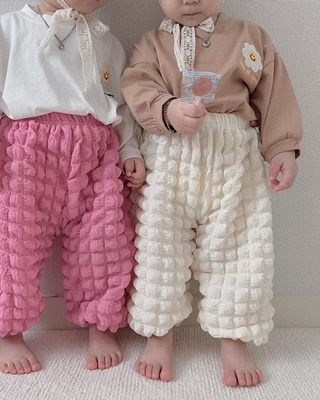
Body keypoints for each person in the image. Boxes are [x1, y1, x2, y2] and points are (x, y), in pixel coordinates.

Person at [0, 0, 145, 375]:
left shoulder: (104, 39)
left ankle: (100, 325)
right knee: (12, 243)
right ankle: (8, 331)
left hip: (96, 154)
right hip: (28, 154)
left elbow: (121, 104)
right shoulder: (10, 29)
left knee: (103, 241)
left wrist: (129, 148)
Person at [121, 0, 302, 387]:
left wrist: (282, 147)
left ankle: (235, 341)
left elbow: (274, 95)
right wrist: (167, 110)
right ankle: (158, 336)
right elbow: (137, 87)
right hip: (168, 157)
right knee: (158, 248)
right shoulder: (151, 44)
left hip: (233, 156)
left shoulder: (249, 39)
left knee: (241, 249)